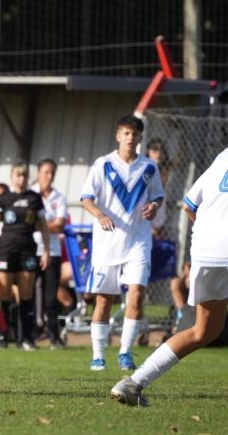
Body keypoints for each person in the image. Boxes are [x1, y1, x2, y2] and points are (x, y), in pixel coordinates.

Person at [111, 147, 228, 406]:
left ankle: (134, 382)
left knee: (204, 330)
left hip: (206, 249)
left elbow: (189, 205)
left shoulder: (223, 156)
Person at [80, 115, 163, 371]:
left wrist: (153, 207)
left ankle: (126, 352)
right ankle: (98, 355)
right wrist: (100, 214)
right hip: (108, 244)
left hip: (138, 241)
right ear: (118, 135)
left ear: (140, 138)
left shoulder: (149, 167)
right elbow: (86, 197)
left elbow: (158, 196)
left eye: (135, 134)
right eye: (126, 133)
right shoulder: (103, 164)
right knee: (104, 300)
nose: (130, 138)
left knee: (137, 294)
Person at [0, 161, 51, 351]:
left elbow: (44, 226)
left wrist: (45, 250)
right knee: (5, 294)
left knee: (26, 295)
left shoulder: (34, 198)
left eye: (24, 175)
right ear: (12, 176)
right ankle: (3, 336)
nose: (21, 179)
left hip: (27, 252)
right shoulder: (4, 199)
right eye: (18, 175)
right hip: (6, 251)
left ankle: (27, 339)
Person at [30, 159, 68, 348]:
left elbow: (60, 224)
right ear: (38, 173)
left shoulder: (59, 197)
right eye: (46, 172)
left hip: (52, 251)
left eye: (52, 172)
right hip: (31, 249)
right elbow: (25, 222)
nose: (49, 176)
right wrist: (47, 226)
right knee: (27, 294)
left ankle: (54, 336)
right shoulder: (30, 194)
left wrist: (39, 225)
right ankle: (28, 336)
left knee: (51, 297)